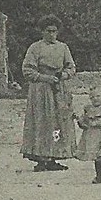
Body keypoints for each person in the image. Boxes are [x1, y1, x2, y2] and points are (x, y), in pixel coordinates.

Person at [22, 15, 77, 172]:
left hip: (59, 90)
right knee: (42, 123)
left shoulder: (63, 48)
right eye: (48, 31)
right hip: (41, 90)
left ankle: (54, 156)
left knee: (57, 123)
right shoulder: (35, 48)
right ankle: (41, 158)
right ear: (42, 32)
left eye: (54, 31)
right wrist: (44, 77)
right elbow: (27, 70)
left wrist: (63, 75)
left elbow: (71, 67)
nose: (52, 34)